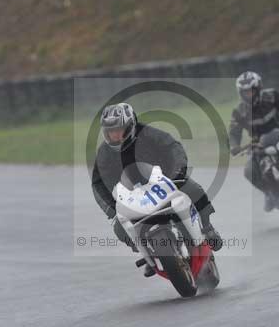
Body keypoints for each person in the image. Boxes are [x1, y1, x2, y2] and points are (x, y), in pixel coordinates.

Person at [91, 102, 223, 277]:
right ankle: (149, 253)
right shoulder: (104, 153)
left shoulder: (148, 134)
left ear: (130, 125)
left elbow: (173, 148)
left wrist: (177, 173)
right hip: (132, 195)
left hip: (164, 179)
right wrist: (111, 207)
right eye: (110, 132)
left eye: (118, 130)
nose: (114, 135)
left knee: (192, 188)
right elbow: (98, 183)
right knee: (118, 227)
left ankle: (207, 227)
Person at [229, 71, 279, 211]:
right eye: (245, 92)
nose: (248, 95)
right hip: (259, 145)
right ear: (240, 93)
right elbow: (233, 133)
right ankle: (269, 193)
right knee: (249, 171)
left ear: (258, 88)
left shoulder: (272, 95)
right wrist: (234, 146)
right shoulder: (239, 111)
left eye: (251, 91)